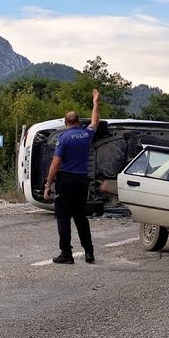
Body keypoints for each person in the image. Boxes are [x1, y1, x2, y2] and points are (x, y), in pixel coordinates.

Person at [44, 90, 100, 264]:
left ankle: (66, 254)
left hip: (66, 181)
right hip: (82, 181)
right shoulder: (86, 134)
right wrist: (96, 103)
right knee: (81, 218)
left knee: (63, 218)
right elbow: (95, 122)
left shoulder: (64, 138)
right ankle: (89, 253)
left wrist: (48, 185)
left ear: (65, 122)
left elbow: (55, 163)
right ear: (77, 121)